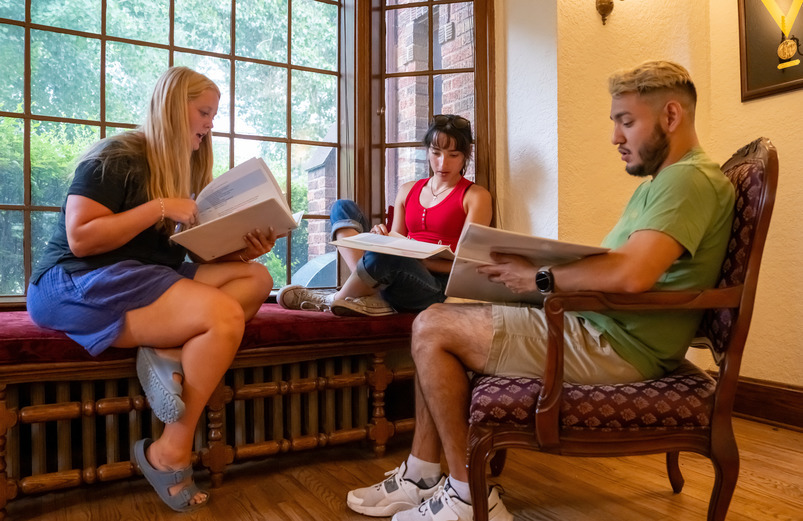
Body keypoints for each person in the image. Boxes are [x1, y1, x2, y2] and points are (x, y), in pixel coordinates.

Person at [345, 60, 735, 521]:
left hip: (616, 345)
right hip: (596, 325)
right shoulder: (667, 182)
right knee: (447, 315)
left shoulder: (689, 179)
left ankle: (469, 496)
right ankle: (423, 474)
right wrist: (533, 264)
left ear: (671, 116)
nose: (615, 136)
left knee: (433, 327)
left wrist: (539, 278)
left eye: (626, 121)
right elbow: (618, 265)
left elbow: (632, 275)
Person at [26, 66, 277, 512]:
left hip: (147, 276)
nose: (209, 124)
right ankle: (168, 451)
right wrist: (160, 207)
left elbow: (190, 255)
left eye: (214, 115)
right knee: (222, 315)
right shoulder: (117, 155)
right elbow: (81, 236)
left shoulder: (186, 168)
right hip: (77, 281)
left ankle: (166, 350)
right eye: (204, 112)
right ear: (172, 105)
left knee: (257, 278)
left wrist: (245, 248)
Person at [276, 114, 493, 316]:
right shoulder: (408, 190)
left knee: (390, 256)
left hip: (433, 286)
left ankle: (333, 300)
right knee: (342, 208)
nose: (442, 163)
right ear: (427, 151)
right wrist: (382, 236)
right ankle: (370, 291)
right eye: (436, 153)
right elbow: (396, 240)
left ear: (465, 156)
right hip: (397, 269)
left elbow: (468, 265)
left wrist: (421, 260)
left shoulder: (475, 196)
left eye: (453, 155)